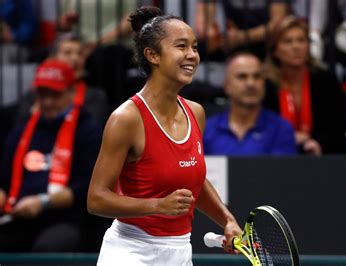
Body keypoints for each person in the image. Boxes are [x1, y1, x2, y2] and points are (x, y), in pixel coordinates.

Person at [87, 7, 241, 265]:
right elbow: (96, 199)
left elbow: (194, 181)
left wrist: (227, 219)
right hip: (129, 251)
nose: (192, 55)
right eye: (181, 46)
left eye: (194, 47)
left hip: (180, 251)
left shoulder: (196, 113)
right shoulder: (126, 119)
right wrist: (156, 206)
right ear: (152, 55)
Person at [0, 59, 101, 251]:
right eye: (42, 95)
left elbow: (87, 186)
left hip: (65, 220)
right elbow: (4, 178)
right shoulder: (22, 131)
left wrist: (43, 202)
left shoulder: (88, 131)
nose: (47, 102)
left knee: (48, 246)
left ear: (72, 92)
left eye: (55, 95)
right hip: (17, 217)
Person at [263, 16, 346, 155]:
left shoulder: (326, 82)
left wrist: (316, 143)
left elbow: (338, 129)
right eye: (288, 42)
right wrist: (288, 139)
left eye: (301, 40)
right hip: (276, 158)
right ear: (275, 50)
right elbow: (262, 130)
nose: (296, 47)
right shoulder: (266, 86)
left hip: (321, 158)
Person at [204, 52, 297, 155]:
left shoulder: (281, 130)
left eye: (257, 77)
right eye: (242, 77)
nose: (251, 83)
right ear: (226, 86)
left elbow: (283, 170)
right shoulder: (207, 130)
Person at [194, 0, 288, 59]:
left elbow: (278, 24)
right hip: (234, 47)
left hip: (270, 49)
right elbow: (203, 24)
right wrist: (211, 33)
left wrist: (241, 37)